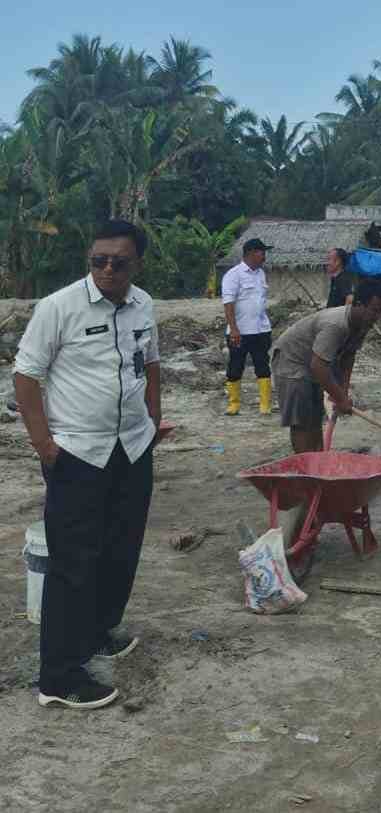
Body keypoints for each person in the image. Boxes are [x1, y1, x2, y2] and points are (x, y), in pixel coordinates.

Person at [14, 219, 162, 710]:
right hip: (78, 452)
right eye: (99, 261)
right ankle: (58, 677)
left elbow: (151, 364)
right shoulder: (59, 307)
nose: (107, 270)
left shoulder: (144, 305)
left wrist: (153, 420)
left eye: (119, 262)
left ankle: (98, 631)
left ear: (137, 264)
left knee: (121, 550)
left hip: (132, 449)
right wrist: (44, 445)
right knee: (73, 563)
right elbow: (26, 374)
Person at [272, 277, 381, 455]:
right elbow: (318, 367)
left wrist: (343, 392)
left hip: (313, 361)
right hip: (291, 360)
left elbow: (348, 357)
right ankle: (306, 465)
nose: (377, 317)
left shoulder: (363, 323)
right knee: (301, 421)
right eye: (374, 310)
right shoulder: (335, 325)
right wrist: (340, 398)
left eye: (380, 311)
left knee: (314, 417)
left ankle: (318, 459)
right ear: (358, 304)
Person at [221, 237, 273, 416]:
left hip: (261, 329)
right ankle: (234, 404)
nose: (264, 256)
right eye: (262, 252)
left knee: (263, 366)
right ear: (251, 253)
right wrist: (234, 329)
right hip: (240, 331)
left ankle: (265, 404)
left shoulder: (261, 274)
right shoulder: (233, 275)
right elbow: (228, 303)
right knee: (235, 366)